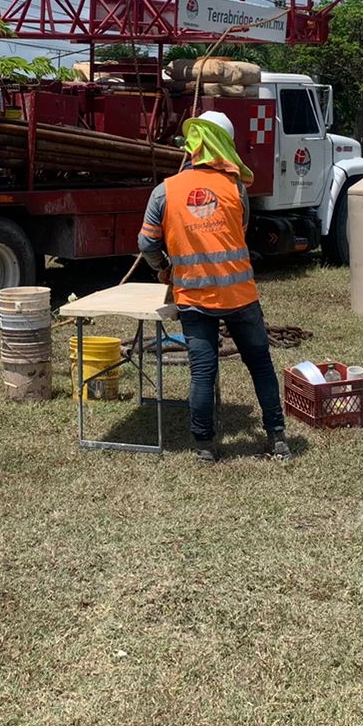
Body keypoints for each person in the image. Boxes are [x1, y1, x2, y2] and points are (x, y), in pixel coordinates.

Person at [138, 110, 291, 464]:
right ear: (224, 146)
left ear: (193, 147)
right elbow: (241, 228)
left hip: (194, 298)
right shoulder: (236, 188)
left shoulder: (165, 191)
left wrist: (165, 270)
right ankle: (278, 437)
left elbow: (146, 243)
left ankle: (205, 446)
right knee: (260, 366)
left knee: (203, 373)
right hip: (240, 297)